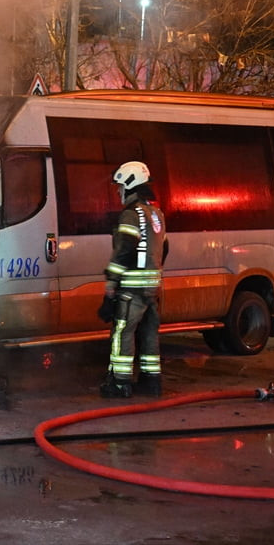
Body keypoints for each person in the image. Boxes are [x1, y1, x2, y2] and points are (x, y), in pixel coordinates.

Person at [98, 160, 167, 398]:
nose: (118, 191)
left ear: (130, 185)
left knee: (122, 332)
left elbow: (125, 249)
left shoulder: (130, 214)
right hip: (152, 287)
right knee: (149, 333)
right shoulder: (156, 213)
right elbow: (163, 249)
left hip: (132, 288)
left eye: (120, 186)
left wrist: (111, 281)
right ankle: (151, 382)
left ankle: (120, 382)